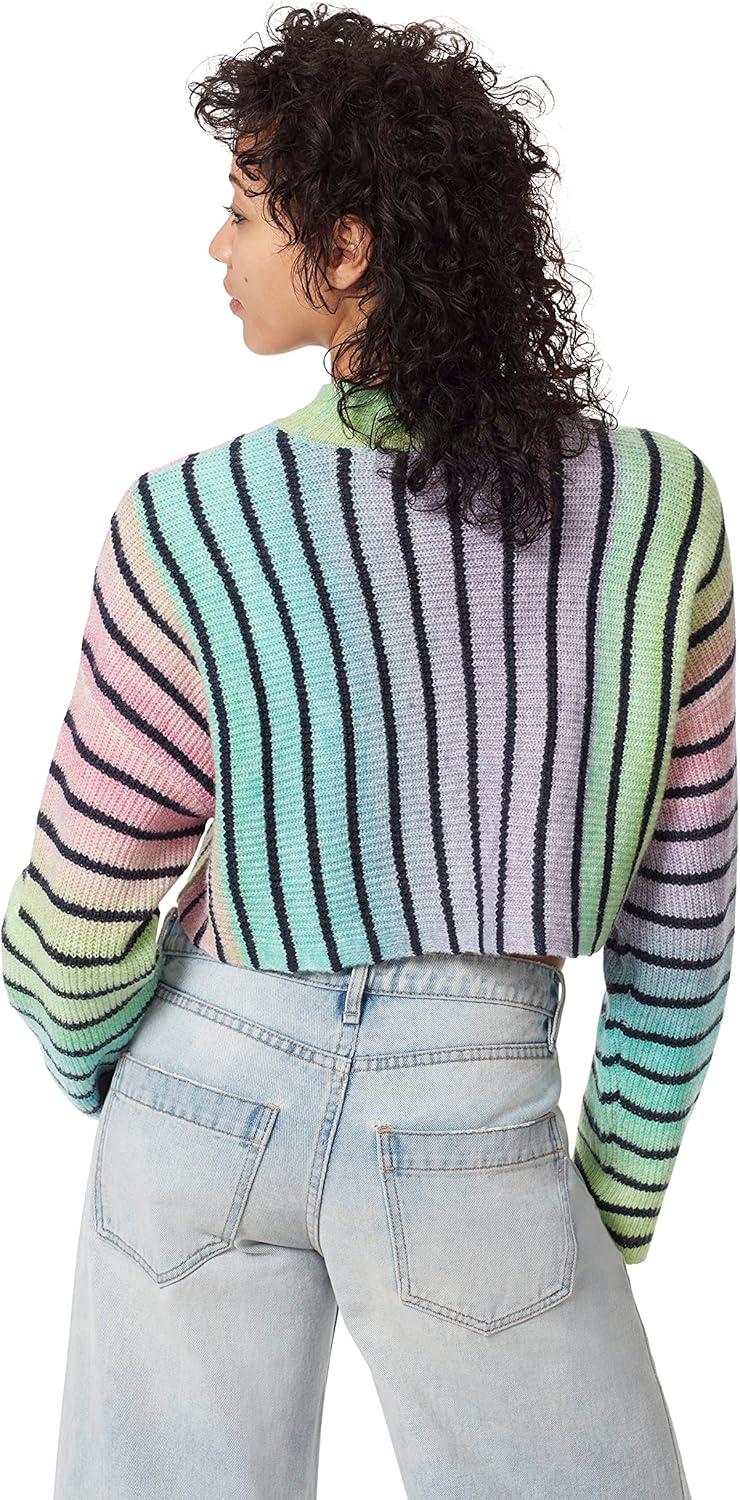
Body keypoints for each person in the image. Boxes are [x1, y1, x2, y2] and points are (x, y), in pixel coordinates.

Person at [2, 8, 730, 1497]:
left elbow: (73, 908)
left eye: (243, 209)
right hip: (476, 1106)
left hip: (201, 1078)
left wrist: (133, 1083)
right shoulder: (657, 510)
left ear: (344, 250)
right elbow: (686, 912)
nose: (217, 247)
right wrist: (608, 1200)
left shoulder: (191, 522)